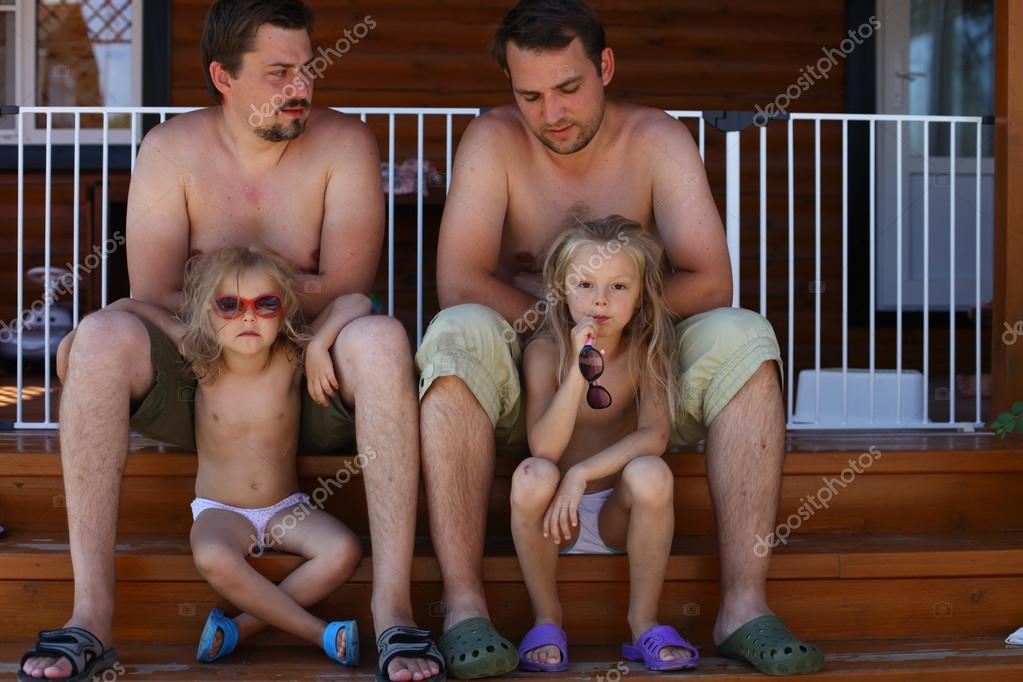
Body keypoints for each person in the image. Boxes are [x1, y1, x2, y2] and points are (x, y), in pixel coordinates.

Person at [20, 2, 440, 681]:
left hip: (309, 378)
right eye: (278, 72)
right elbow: (157, 292)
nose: (301, 86)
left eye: (307, 68)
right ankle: (90, 618)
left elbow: (347, 287)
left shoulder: (346, 144)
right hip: (201, 381)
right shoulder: (171, 149)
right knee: (99, 338)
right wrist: (275, 292)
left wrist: (228, 292)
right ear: (224, 76)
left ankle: (393, 613)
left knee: (382, 339)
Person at [416, 0, 823, 675]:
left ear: (604, 66)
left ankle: (742, 607)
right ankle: (464, 608)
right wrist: (565, 330)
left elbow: (710, 281)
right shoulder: (492, 139)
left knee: (745, 334)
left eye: (568, 88)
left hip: (639, 373)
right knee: (456, 329)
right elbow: (459, 281)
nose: (551, 113)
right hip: (534, 382)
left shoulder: (657, 138)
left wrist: (614, 326)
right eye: (529, 96)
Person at [106, 246, 366, 665]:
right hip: (221, 511)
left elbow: (356, 301)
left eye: (266, 304)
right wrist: (81, 340)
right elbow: (128, 306)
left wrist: (320, 344)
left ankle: (240, 628)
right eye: (229, 305)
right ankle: (318, 634)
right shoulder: (201, 359)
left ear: (283, 312)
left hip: (286, 510)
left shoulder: (291, 357)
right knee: (212, 557)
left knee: (344, 550)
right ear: (207, 314)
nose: (248, 317)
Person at [512, 216, 698, 672]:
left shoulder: (646, 352)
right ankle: (546, 618)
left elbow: (654, 435)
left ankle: (643, 623)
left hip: (619, 513)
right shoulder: (544, 353)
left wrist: (582, 473)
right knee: (532, 474)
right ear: (561, 290)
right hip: (558, 520)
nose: (600, 300)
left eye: (618, 287)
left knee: (652, 471)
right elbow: (545, 448)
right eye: (585, 285)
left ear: (640, 296)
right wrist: (581, 368)